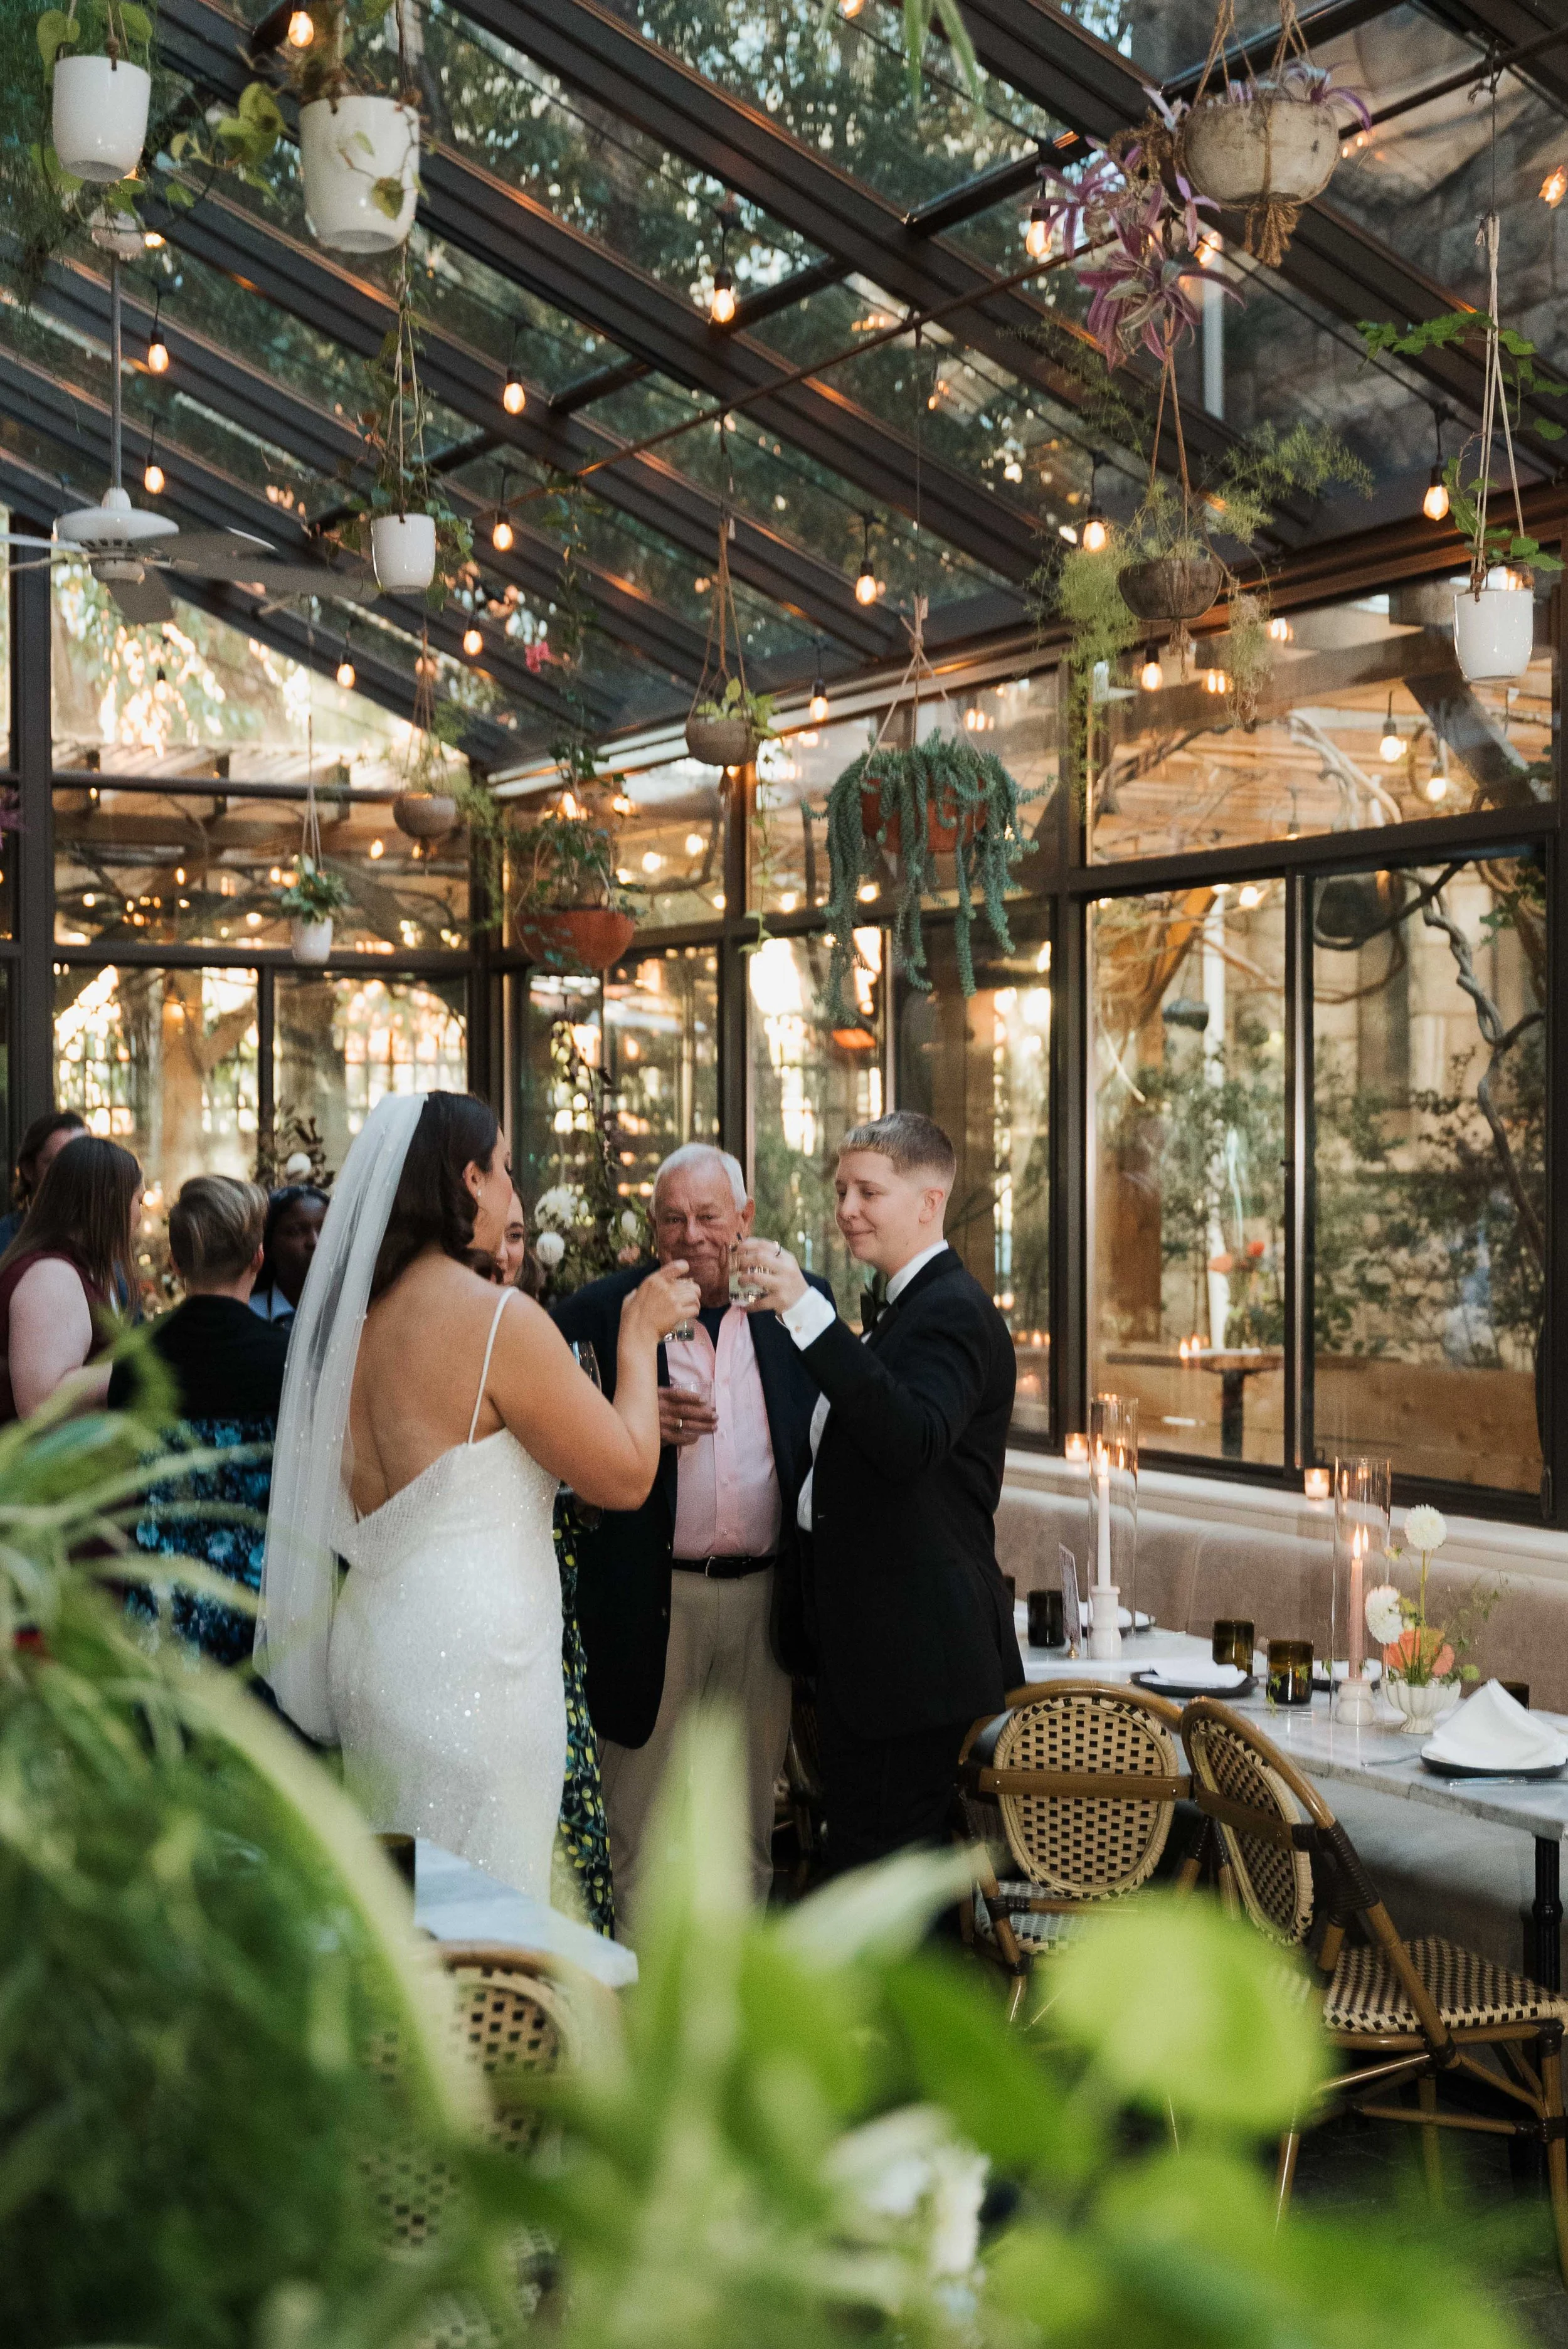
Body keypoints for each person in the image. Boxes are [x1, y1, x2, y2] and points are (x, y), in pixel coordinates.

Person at [255, 1090, 696, 1899]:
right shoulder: (499, 1322)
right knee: (486, 1923)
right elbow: (627, 1476)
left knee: (402, 1912)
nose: (512, 1190)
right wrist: (638, 1336)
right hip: (477, 1673)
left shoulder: (351, 1329)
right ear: (469, 1181)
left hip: (373, 1657)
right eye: (504, 1170)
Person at [551, 1142, 829, 1929]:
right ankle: (632, 1996)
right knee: (631, 1829)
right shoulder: (600, 1310)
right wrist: (628, 1414)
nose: (691, 1234)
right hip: (650, 1599)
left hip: (763, 1600)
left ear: (745, 1217)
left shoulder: (799, 1303)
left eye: (709, 1215)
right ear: (651, 1227)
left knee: (744, 1829)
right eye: (672, 1219)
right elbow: (551, 1448)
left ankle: (734, 1992)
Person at [736, 1111, 1022, 1875]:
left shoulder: (952, 1310)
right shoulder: (900, 1312)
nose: (846, 1209)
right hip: (870, 1663)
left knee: (877, 1886)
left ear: (929, 1201)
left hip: (914, 1667)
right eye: (841, 1191)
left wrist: (806, 1314)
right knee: (880, 1882)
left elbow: (910, 1440)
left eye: (868, 1192)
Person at [110, 1176, 290, 1665]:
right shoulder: (286, 1360)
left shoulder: (137, 1358)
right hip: (258, 1609)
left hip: (160, 1607)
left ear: (176, 1262)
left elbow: (123, 1485)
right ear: (258, 1258)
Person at [0, 1136, 142, 1423]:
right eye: (139, 1200)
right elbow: (41, 1401)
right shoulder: (51, 1275)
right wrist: (140, 1367)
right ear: (110, 1201)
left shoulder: (68, 1267)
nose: (140, 1215)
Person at [0, 1110, 87, 1256]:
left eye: (82, 1164)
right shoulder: (5, 1237)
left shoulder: (100, 1237)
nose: (73, 1174)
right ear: (29, 1170)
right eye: (60, 1164)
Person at [248, 1184, 328, 1325]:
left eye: (326, 1229)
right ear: (269, 1245)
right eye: (296, 1231)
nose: (315, 1242)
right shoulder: (249, 1313)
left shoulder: (356, 1312)